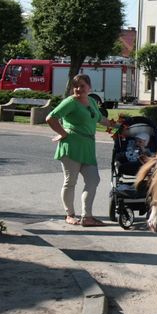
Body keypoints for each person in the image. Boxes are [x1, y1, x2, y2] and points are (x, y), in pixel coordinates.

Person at [46, 74, 116, 227]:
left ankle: (87, 217)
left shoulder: (91, 101)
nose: (78, 89)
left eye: (82, 86)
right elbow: (51, 117)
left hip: (87, 146)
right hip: (71, 145)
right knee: (70, 182)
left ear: (89, 87)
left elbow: (100, 119)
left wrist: (117, 125)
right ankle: (70, 215)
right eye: (76, 86)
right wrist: (63, 133)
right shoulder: (70, 102)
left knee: (93, 179)